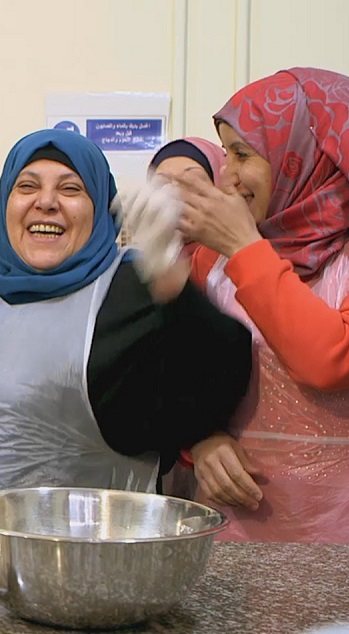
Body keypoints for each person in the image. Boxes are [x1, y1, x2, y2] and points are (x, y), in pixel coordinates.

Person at [0, 124, 253, 533]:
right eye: (27, 186)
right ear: (5, 202)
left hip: (76, 567)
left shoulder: (132, 293)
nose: (46, 202)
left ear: (101, 208)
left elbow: (217, 379)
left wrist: (169, 275)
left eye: (70, 189)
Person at [176, 67, 349, 544]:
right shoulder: (212, 257)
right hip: (239, 528)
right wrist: (199, 439)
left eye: (242, 154)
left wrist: (245, 248)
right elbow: (175, 371)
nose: (226, 177)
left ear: (310, 157)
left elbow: (334, 358)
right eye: (225, 154)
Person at [147, 136, 228, 501]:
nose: (175, 197)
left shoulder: (237, 265)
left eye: (193, 183)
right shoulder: (140, 267)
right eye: (162, 186)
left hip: (226, 458)